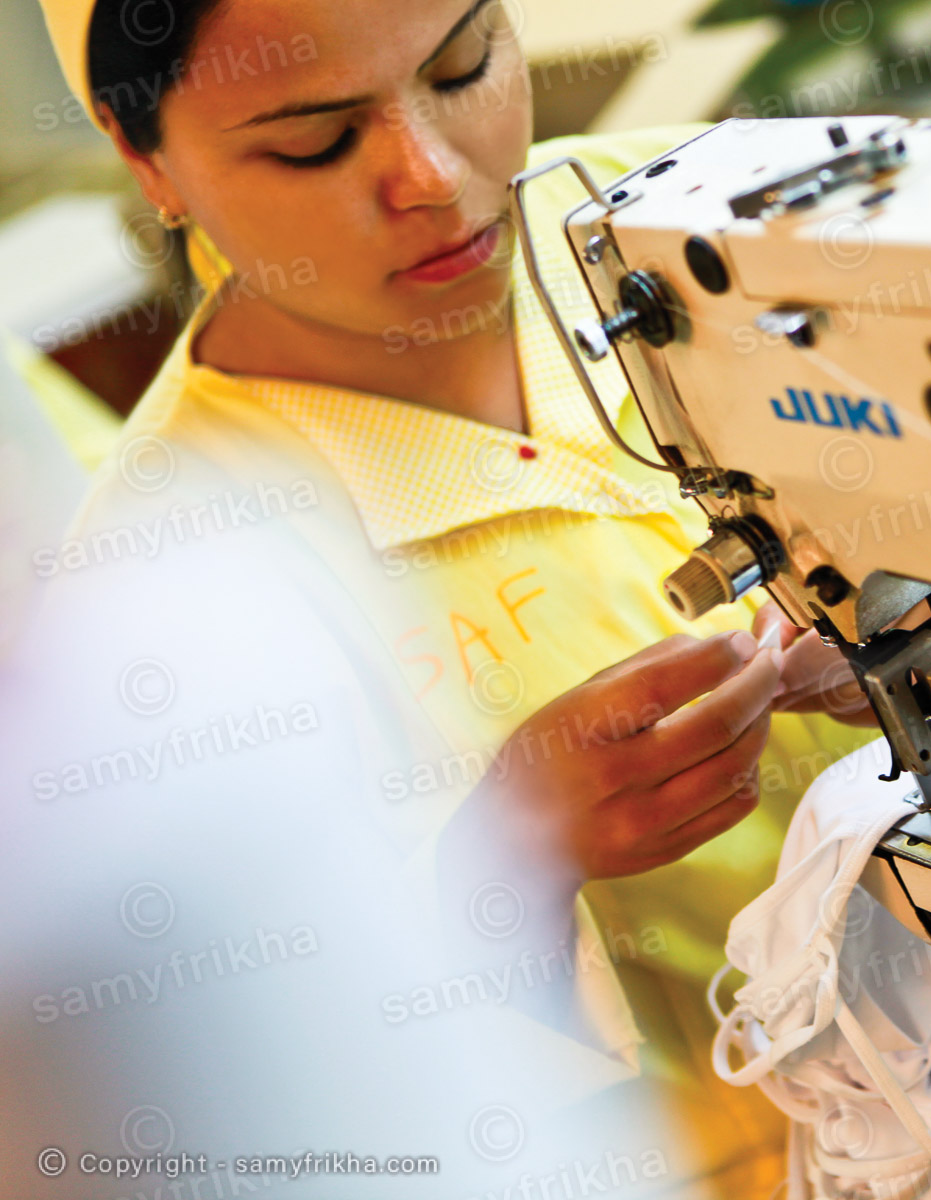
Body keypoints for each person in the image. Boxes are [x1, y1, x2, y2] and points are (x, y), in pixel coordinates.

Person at [23, 0, 879, 1192]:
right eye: (314, 141)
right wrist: (499, 870)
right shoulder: (168, 598)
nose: (433, 176)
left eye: (466, 65)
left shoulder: (685, 213)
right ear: (143, 155)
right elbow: (293, 1108)